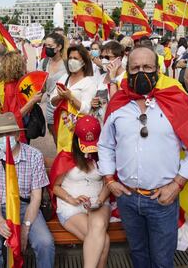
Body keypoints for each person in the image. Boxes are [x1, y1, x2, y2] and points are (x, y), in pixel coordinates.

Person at [98, 46, 188, 267]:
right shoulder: (117, 105)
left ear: (157, 70)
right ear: (127, 71)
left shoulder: (177, 103)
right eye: (135, 68)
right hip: (127, 198)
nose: (141, 72)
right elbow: (105, 145)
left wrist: (177, 184)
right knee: (138, 254)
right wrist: (109, 180)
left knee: (162, 260)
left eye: (147, 67)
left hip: (162, 201)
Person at [0, 112, 55, 268]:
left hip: (26, 208)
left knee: (45, 243)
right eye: (1, 134)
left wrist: (25, 227)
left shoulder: (34, 156)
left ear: (18, 135)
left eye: (9, 133)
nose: (5, 138)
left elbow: (36, 197)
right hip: (0, 208)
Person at [50, 115, 111, 268]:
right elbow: (55, 187)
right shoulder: (66, 157)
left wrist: (99, 201)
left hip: (99, 203)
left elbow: (108, 184)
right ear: (77, 140)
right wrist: (71, 199)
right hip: (71, 206)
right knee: (104, 242)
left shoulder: (104, 156)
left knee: (98, 226)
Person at [50, 45, 97, 152]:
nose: (72, 61)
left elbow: (86, 109)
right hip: (63, 127)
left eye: (75, 59)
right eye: (70, 58)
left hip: (79, 129)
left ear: (84, 62)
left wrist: (70, 97)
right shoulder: (64, 78)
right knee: (64, 155)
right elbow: (52, 101)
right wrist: (59, 97)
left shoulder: (89, 82)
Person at [0, 51, 43, 143]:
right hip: (17, 131)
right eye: (23, 63)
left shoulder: (8, 82)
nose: (25, 64)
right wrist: (33, 101)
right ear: (17, 66)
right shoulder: (11, 87)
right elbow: (15, 115)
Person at [38, 33, 67, 144]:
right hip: (50, 106)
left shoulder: (67, 64)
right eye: (45, 46)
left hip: (65, 104)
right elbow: (40, 85)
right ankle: (60, 157)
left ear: (59, 47)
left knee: (67, 135)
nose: (47, 48)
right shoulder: (44, 63)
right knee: (55, 136)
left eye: (50, 46)